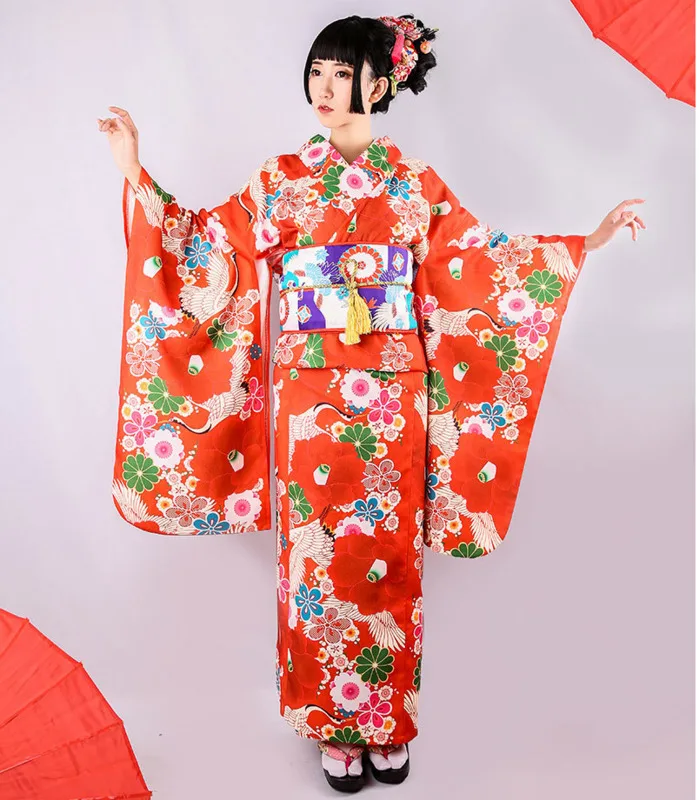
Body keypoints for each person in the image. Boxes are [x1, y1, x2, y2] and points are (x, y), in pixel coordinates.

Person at [98, 13, 645, 794]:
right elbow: (206, 247)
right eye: (316, 71)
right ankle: (331, 727)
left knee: (388, 561)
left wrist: (581, 244)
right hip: (309, 390)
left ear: (380, 83)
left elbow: (476, 266)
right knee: (315, 557)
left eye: (341, 73)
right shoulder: (281, 179)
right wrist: (135, 171)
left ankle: (386, 722)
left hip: (393, 395)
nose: (324, 87)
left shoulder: (413, 184)